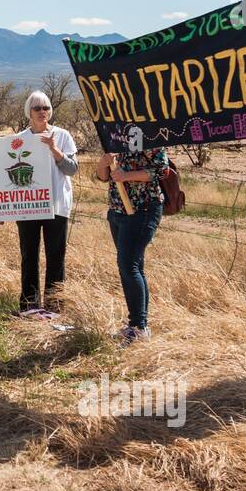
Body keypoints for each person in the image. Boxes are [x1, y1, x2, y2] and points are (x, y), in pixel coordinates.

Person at [11, 91, 78, 315]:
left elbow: (72, 169)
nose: (42, 112)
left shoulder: (63, 135)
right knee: (29, 255)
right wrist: (0, 209)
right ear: (28, 112)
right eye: (37, 108)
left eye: (46, 108)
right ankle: (29, 306)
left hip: (57, 205)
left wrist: (53, 148)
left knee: (55, 257)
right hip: (27, 205)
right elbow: (6, 175)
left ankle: (54, 307)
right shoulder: (18, 139)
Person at [96, 144, 169, 344]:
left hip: (142, 209)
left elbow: (162, 170)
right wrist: (103, 164)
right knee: (133, 266)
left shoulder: (148, 138)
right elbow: (103, 177)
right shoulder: (113, 140)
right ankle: (137, 325)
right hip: (117, 209)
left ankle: (139, 327)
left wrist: (126, 176)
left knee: (128, 265)